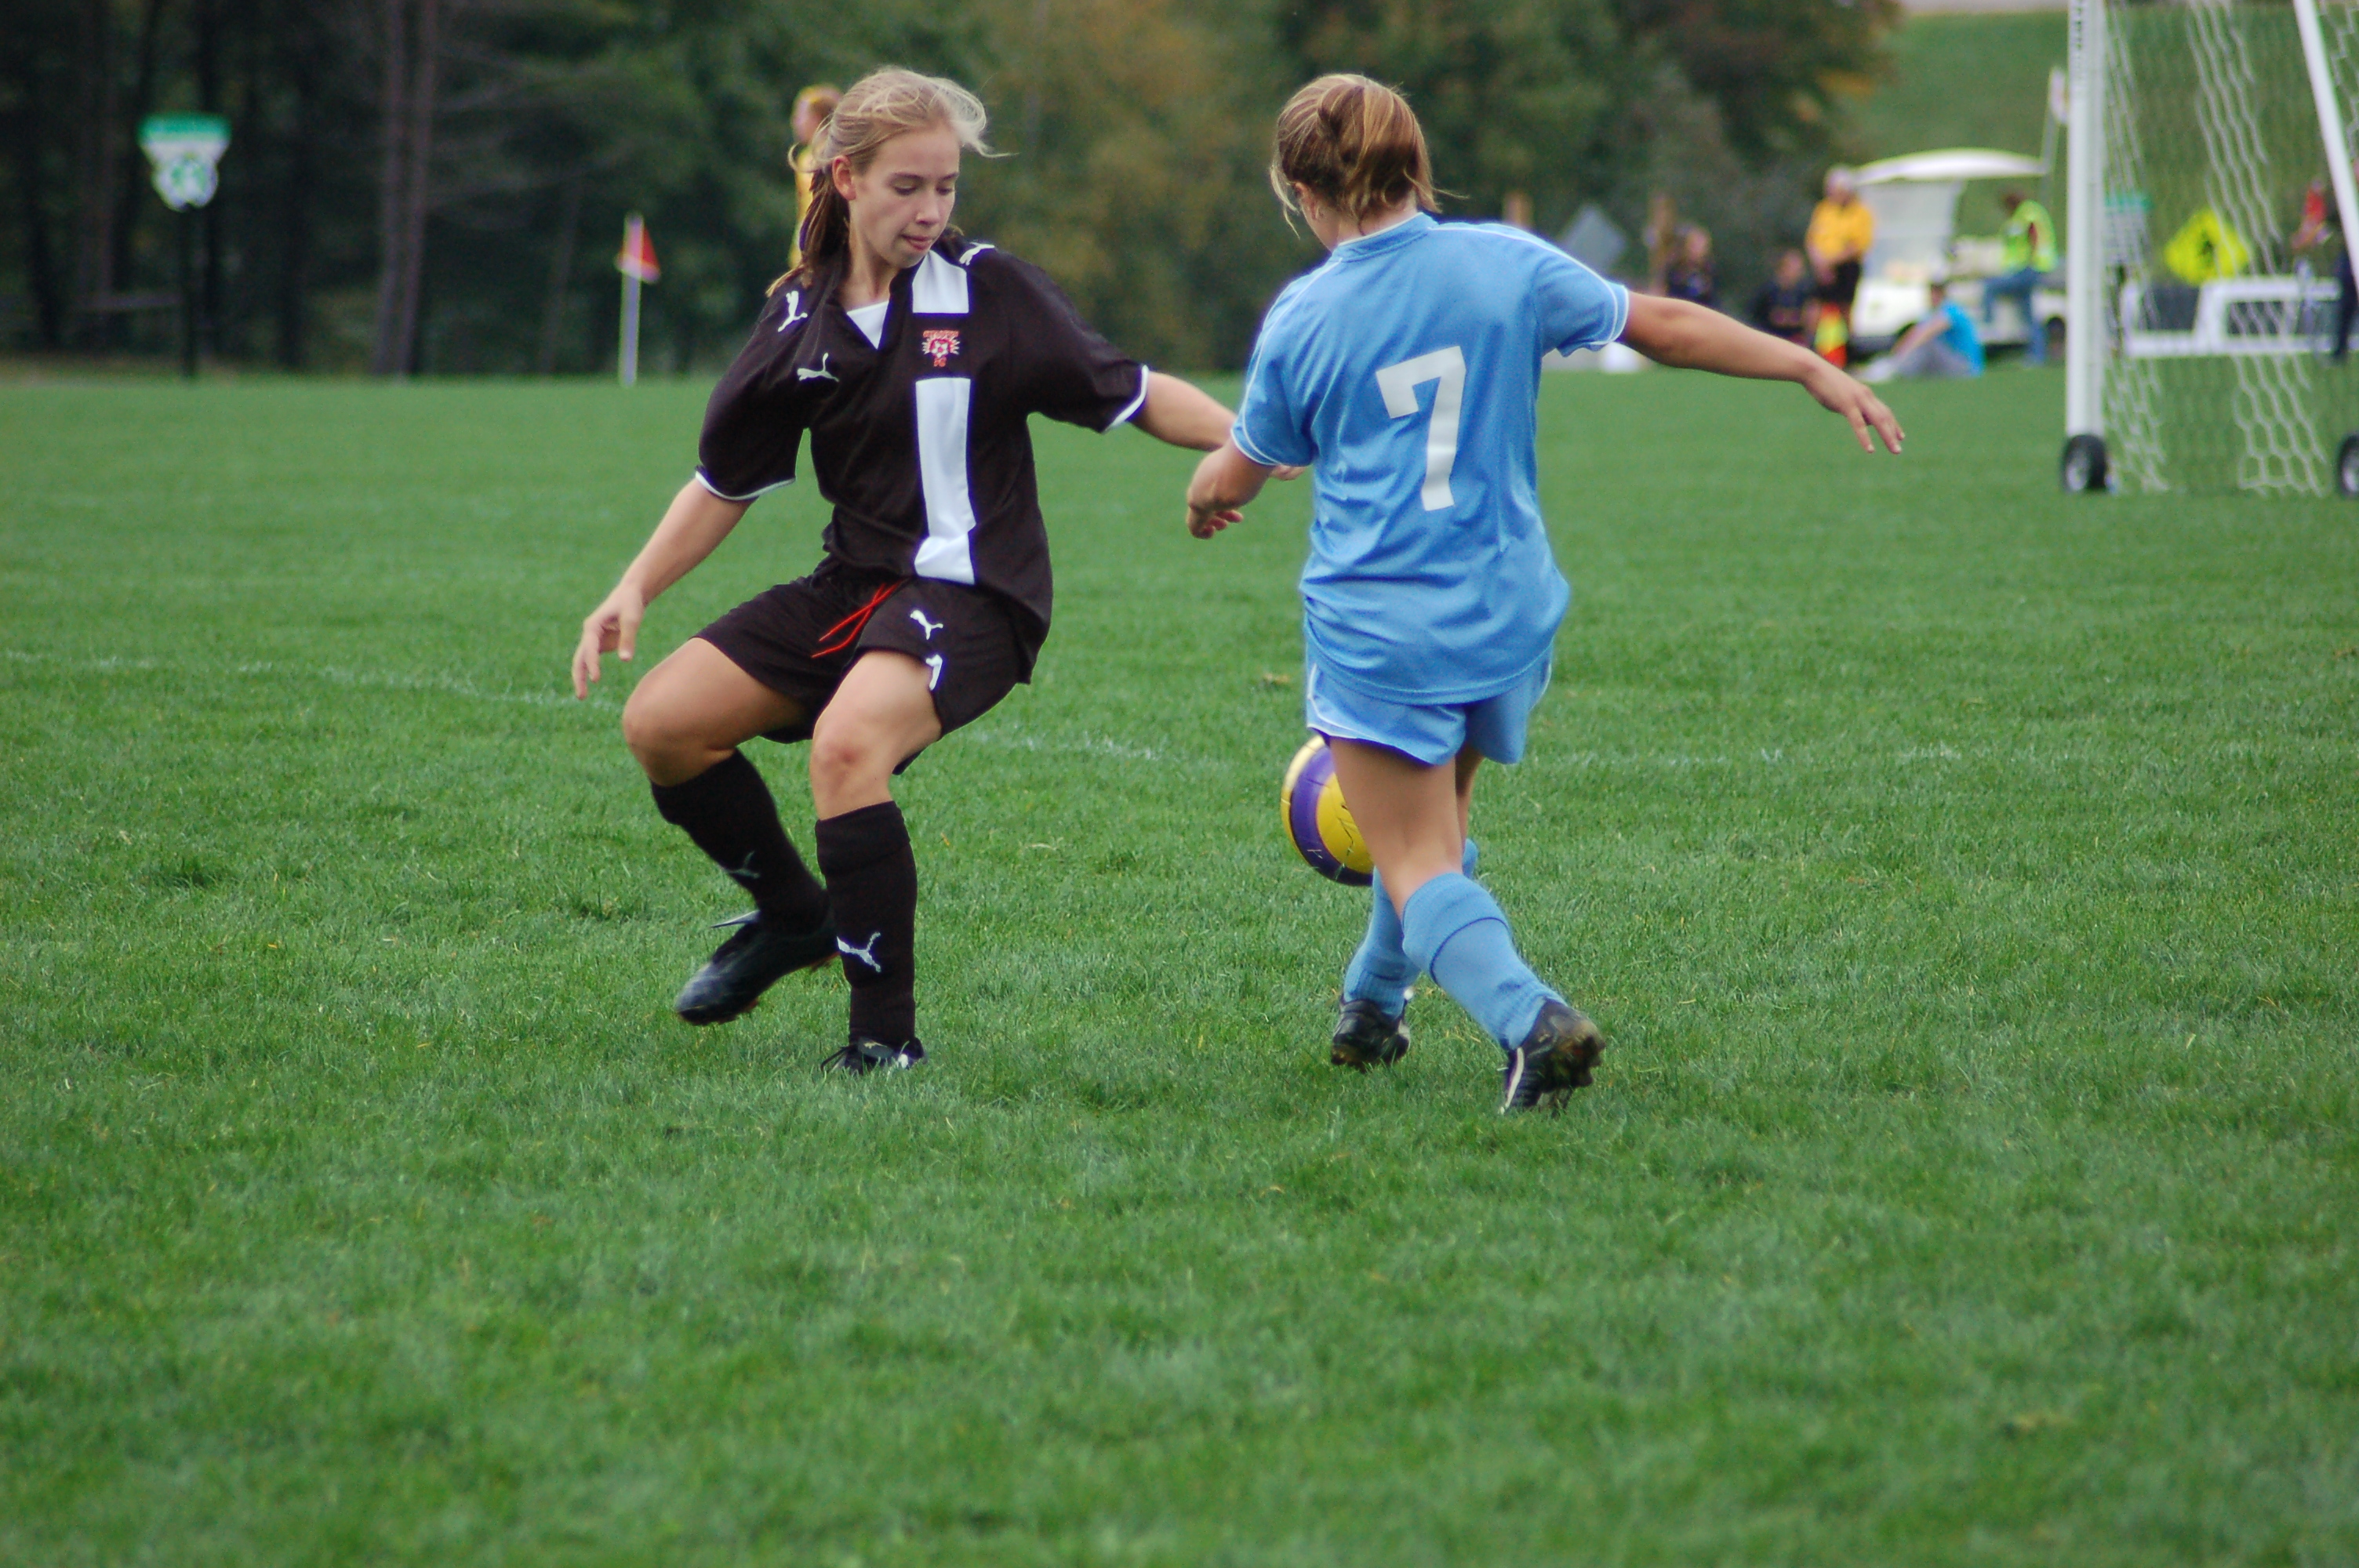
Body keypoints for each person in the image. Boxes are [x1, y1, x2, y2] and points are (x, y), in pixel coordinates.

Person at [1183, 75, 1904, 1113]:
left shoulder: (1305, 316)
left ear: (1300, 190)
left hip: (1384, 628)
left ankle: (1532, 1021)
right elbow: (1661, 324)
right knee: (1440, 824)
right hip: (1504, 614)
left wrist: (1205, 493)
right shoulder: (1504, 263)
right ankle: (1370, 1007)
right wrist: (1807, 368)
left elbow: (1245, 468)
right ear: (1415, 166)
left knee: (1415, 859)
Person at [572, 67, 1249, 1075]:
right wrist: (633, 587)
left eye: (946, 187)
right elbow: (724, 482)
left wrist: (1245, 444)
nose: (931, 210)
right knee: (662, 723)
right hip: (853, 588)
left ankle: (885, 1042)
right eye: (907, 187)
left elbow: (1133, 390)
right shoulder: (797, 317)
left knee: (846, 746)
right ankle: (794, 916)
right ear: (844, 179)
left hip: (977, 595)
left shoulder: (990, 293)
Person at [1806, 167, 1874, 366]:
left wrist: (1832, 262)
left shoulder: (1861, 213)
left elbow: (1857, 245)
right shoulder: (1824, 210)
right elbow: (1812, 239)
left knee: (1845, 308)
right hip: (1823, 267)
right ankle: (1811, 345)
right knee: (1815, 304)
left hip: (1846, 267)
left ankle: (1849, 351)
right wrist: (1820, 263)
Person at [1983, 189, 2056, 364]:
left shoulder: (2027, 212)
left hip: (2029, 269)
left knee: (1989, 287)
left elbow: (2033, 235)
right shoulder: (2021, 215)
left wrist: (2030, 260)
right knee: (2029, 313)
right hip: (2026, 269)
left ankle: (1988, 324)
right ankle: (2037, 355)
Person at [1860, 277, 1982, 382]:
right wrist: (1897, 352)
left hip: (1964, 366)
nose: (1931, 297)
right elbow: (1915, 332)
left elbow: (1927, 333)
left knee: (1928, 343)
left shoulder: (1951, 310)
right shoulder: (1931, 313)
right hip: (1949, 362)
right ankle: (1883, 368)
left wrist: (1904, 354)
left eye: (1934, 293)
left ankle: (1893, 371)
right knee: (1918, 343)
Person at [787, 84, 842, 268]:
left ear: (816, 118)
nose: (795, 122)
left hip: (823, 253)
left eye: (800, 116)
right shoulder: (807, 157)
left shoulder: (823, 159)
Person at [1750, 248, 1816, 345]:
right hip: (1770, 340)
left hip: (1796, 342)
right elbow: (1755, 315)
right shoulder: (1768, 291)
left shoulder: (1805, 292)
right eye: (1793, 266)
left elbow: (1808, 319)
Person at [1663, 225, 1717, 310]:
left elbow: (1711, 299)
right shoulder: (1676, 269)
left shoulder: (1707, 270)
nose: (1699, 250)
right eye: (1695, 245)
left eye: (1702, 246)